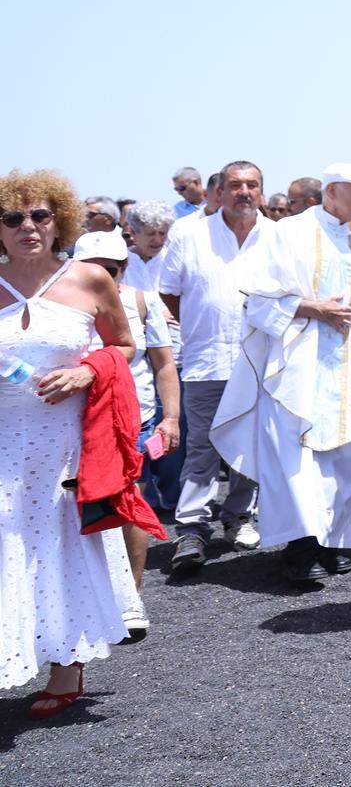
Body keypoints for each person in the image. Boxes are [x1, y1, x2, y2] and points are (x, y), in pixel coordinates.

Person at [0, 169, 150, 716]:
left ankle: (66, 666)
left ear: (58, 218)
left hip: (67, 441)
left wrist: (89, 372)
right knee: (8, 545)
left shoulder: (90, 279)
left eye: (39, 215)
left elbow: (127, 346)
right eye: (13, 218)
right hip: (2, 439)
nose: (28, 227)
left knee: (63, 543)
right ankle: (12, 651)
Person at [211, 165, 351, 587]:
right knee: (297, 456)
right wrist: (313, 308)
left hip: (347, 361)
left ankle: (334, 541)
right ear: (333, 191)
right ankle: (300, 546)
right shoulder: (290, 233)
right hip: (297, 363)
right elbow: (258, 301)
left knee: (347, 450)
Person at [158, 159, 271, 573]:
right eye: (236, 185)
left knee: (249, 445)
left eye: (252, 185)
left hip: (259, 362)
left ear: (261, 191)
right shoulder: (189, 233)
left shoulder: (276, 236)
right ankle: (191, 528)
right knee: (202, 448)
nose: (244, 192)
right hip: (205, 360)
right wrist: (200, 326)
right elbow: (168, 295)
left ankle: (239, 517)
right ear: (219, 191)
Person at [73, 230, 180, 639]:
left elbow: (164, 365)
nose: (103, 276)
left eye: (112, 269)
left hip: (133, 421)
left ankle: (131, 594)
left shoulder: (143, 301)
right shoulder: (64, 302)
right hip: (77, 421)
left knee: (131, 501)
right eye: (92, 268)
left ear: (125, 267)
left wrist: (171, 419)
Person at [123, 200, 186, 512]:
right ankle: (145, 496)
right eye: (150, 233)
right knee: (142, 423)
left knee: (173, 424)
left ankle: (172, 493)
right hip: (135, 355)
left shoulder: (174, 259)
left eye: (163, 232)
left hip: (174, 352)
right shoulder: (121, 263)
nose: (158, 239)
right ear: (132, 233)